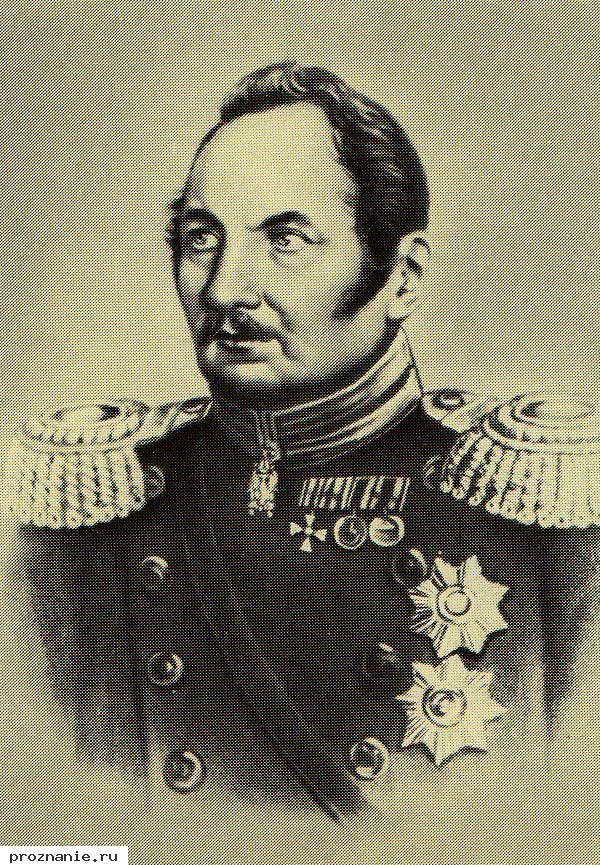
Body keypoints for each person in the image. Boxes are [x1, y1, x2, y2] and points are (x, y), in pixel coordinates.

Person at [3, 61, 600, 827]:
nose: (224, 288)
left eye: (284, 238)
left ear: (403, 276)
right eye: (201, 238)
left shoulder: (540, 499)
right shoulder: (87, 507)